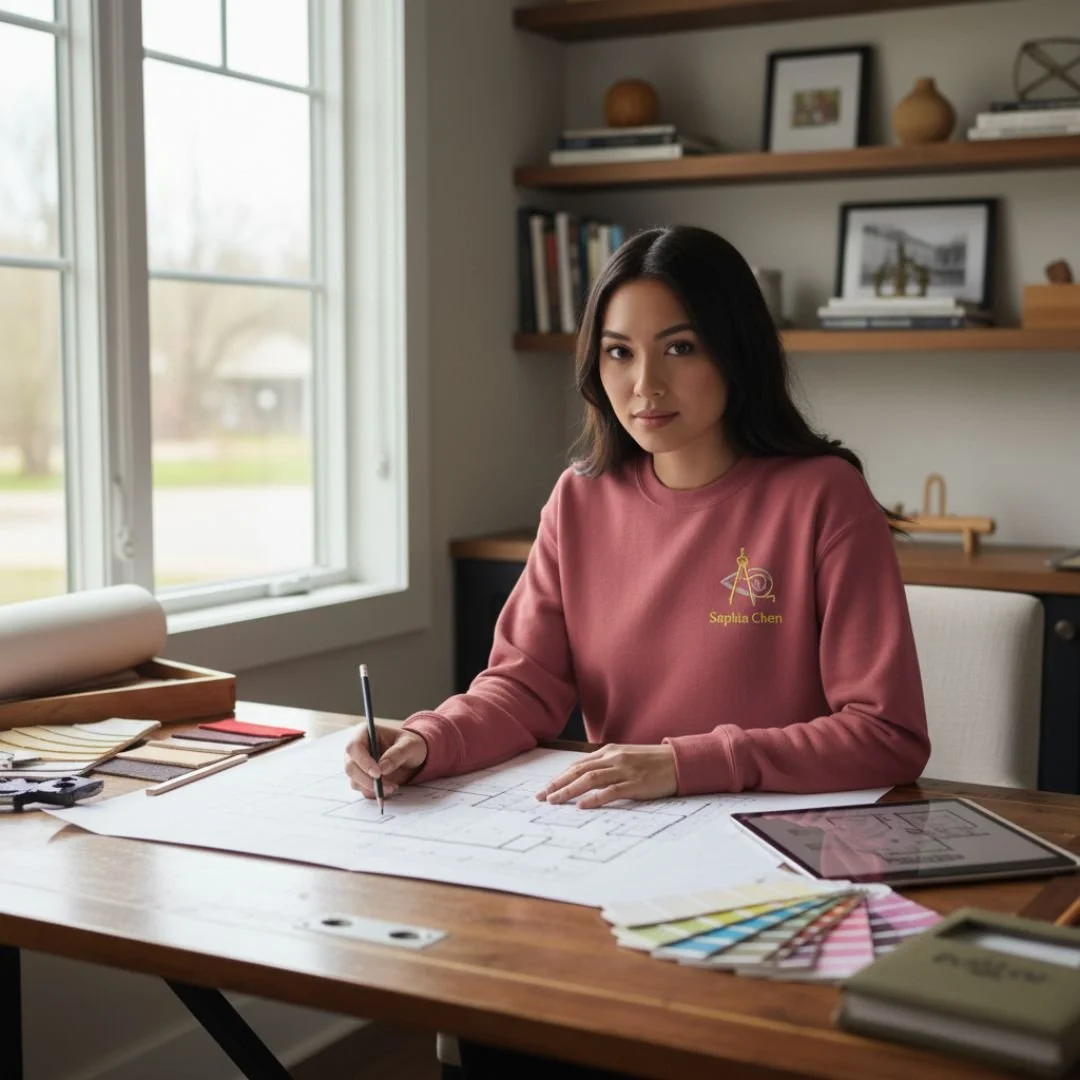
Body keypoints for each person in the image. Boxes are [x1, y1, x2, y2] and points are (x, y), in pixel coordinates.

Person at [344, 224, 930, 1079]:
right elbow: (523, 687)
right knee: (510, 1023)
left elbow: (887, 734)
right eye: (618, 352)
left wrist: (682, 762)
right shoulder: (578, 502)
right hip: (610, 865)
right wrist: (427, 739)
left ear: (735, 351)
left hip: (776, 875)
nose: (643, 384)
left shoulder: (823, 496)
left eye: (678, 348)